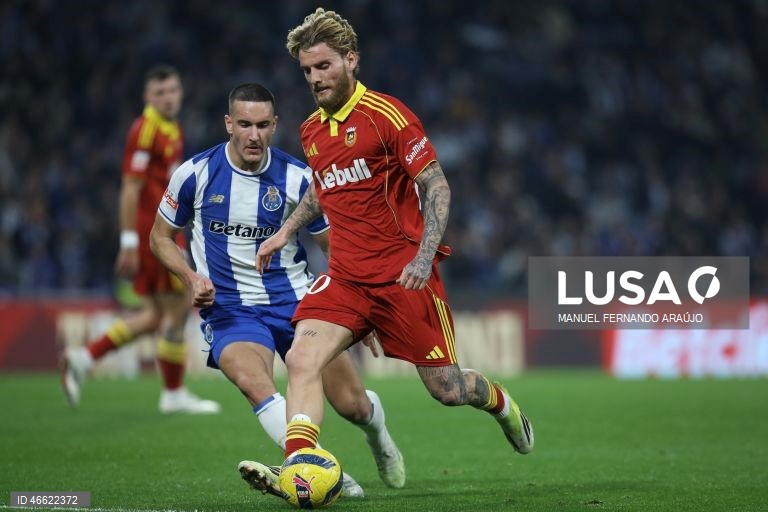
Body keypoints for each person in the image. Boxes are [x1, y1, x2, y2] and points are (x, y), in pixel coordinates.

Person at [246, 7, 535, 495]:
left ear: (351, 61)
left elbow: (436, 185)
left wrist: (424, 257)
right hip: (346, 278)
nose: (315, 79)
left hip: (403, 276)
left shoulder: (387, 116)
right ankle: (298, 465)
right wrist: (286, 231)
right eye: (307, 71)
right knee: (300, 358)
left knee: (447, 389)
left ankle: (501, 403)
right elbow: (322, 190)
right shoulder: (312, 130)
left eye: (323, 67)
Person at [149, 83, 406, 498]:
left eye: (263, 125)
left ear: (275, 125)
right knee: (255, 383)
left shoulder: (299, 178)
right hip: (230, 310)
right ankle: (317, 472)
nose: (254, 135)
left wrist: (360, 306)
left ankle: (377, 432)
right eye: (245, 125)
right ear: (228, 124)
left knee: (353, 405)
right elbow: (160, 237)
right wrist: (190, 277)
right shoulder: (194, 174)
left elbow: (333, 246)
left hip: (301, 303)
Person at [61, 65, 220, 414]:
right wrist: (130, 242)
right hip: (155, 235)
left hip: (166, 230)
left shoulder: (173, 128)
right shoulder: (145, 130)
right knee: (179, 308)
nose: (168, 97)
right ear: (147, 97)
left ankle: (84, 357)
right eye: (160, 92)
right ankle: (174, 393)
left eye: (173, 90)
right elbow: (130, 190)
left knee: (153, 316)